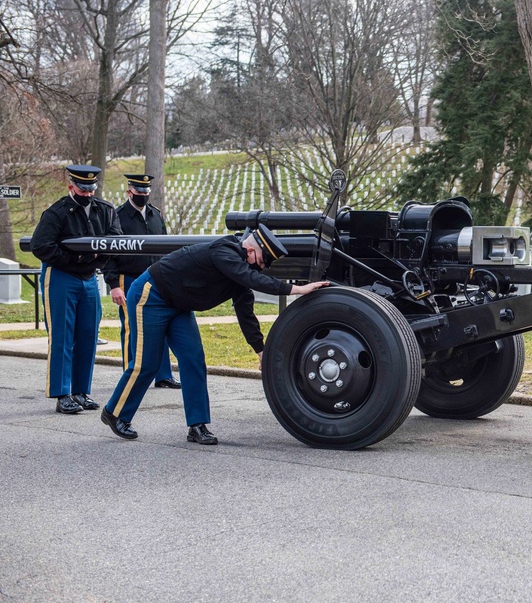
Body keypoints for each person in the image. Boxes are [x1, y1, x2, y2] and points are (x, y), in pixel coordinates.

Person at [100, 225, 329, 445]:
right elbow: (250, 278)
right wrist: (296, 290)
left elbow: (246, 315)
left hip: (178, 304)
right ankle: (115, 412)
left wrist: (260, 350)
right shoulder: (225, 251)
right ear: (250, 251)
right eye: (260, 262)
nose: (259, 269)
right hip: (152, 295)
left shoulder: (239, 273)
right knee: (146, 363)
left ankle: (197, 425)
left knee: (194, 361)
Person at [30, 165, 122, 415]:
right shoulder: (57, 212)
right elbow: (41, 246)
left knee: (88, 334)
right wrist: (78, 260)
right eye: (83, 189)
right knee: (62, 336)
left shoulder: (105, 210)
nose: (88, 194)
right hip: (61, 276)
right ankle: (62, 394)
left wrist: (93, 263)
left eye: (91, 189)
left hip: (89, 278)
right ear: (71, 186)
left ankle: (81, 391)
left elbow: (113, 242)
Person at [103, 173, 182, 389]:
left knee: (162, 323)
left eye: (146, 192)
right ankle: (132, 372)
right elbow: (109, 253)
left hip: (157, 279)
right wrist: (114, 285)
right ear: (129, 192)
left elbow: (164, 248)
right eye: (139, 192)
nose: (143, 196)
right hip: (129, 277)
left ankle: (163, 375)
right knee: (131, 327)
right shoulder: (118, 216)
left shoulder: (156, 215)